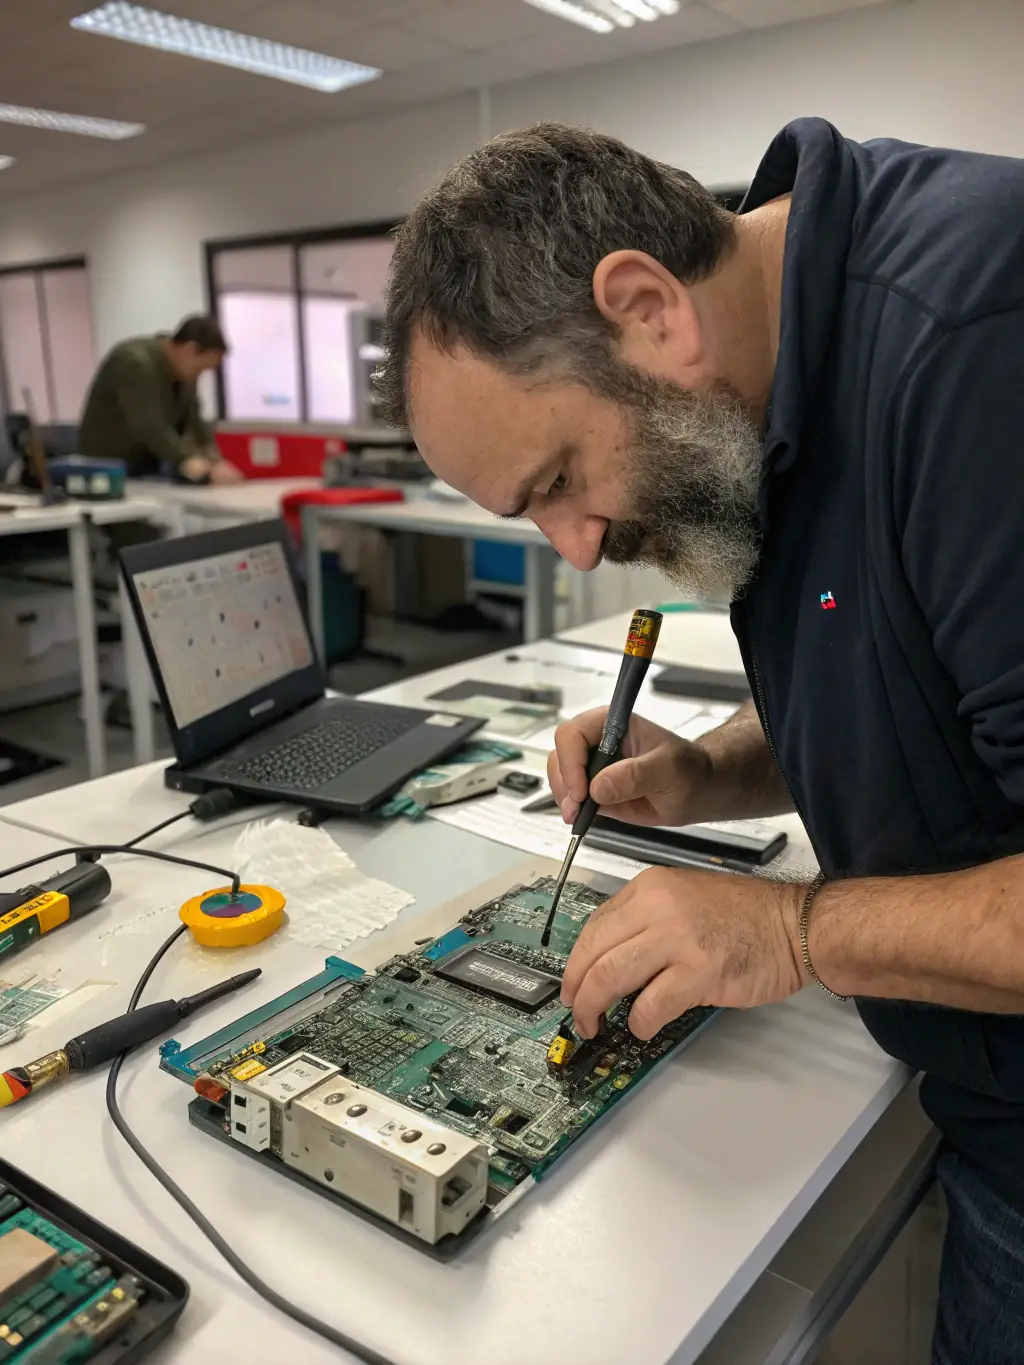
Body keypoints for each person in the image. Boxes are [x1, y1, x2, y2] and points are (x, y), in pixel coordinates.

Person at [373, 119, 1024, 1363]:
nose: (571, 548)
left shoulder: (978, 346)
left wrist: (793, 931)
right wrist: (708, 769)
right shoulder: (760, 383)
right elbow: (911, 679)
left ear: (645, 306)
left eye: (557, 478)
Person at [79, 314, 243, 484]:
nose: (199, 375)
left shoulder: (182, 372)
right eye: (201, 368)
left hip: (146, 466)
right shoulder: (135, 363)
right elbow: (148, 426)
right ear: (190, 349)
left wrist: (216, 461)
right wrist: (186, 459)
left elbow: (196, 420)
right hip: (106, 470)